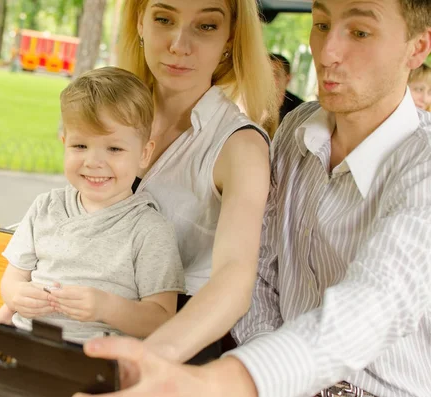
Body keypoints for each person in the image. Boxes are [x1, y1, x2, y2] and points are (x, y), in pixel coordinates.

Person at [0, 0, 277, 394]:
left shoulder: (238, 146)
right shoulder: (112, 106)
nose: (179, 45)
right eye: (164, 19)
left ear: (230, 37)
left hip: (167, 334)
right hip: (51, 323)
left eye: (206, 26)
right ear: (139, 22)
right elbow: (58, 251)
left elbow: (233, 281)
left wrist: (146, 358)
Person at [76, 0, 431, 396]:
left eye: (360, 32)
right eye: (321, 24)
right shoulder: (298, 131)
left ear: (417, 48)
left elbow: (376, 304)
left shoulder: (423, 165)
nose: (327, 52)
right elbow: (262, 273)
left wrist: (225, 379)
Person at [0, 66, 186, 396]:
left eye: (114, 149)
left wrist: (105, 307)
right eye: (81, 146)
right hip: (23, 353)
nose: (94, 162)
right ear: (64, 142)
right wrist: (15, 295)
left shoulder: (150, 230)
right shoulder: (46, 207)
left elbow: (161, 318)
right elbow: (14, 278)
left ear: (144, 153)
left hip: (95, 372)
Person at [270, 53, 305, 123]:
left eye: (275, 75)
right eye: (265, 74)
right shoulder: (251, 104)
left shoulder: (299, 110)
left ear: (287, 79)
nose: (269, 79)